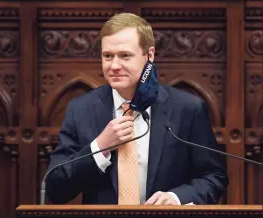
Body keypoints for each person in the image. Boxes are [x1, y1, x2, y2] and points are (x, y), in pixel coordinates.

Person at [45, 13, 228, 205]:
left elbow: (214, 177)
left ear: (149, 55)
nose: (114, 65)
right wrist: (99, 148)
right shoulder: (81, 110)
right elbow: (56, 189)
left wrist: (177, 198)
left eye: (125, 56)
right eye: (108, 56)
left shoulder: (188, 109)